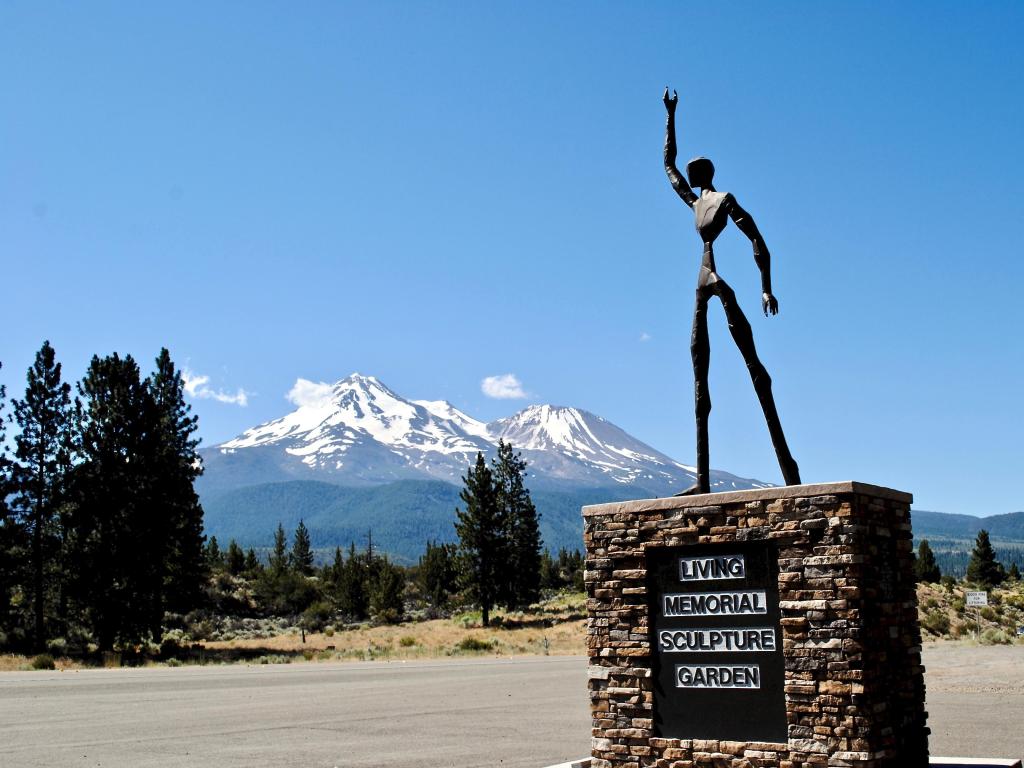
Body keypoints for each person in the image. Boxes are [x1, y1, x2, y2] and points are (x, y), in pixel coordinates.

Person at [663, 87, 800, 494]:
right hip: (701, 281)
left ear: (705, 172)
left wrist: (765, 289)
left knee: (752, 364)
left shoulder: (723, 200)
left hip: (717, 282)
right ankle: (701, 479)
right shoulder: (694, 203)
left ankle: (788, 471)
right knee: (698, 366)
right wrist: (670, 115)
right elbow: (666, 163)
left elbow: (757, 238)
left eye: (694, 169)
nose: (687, 173)